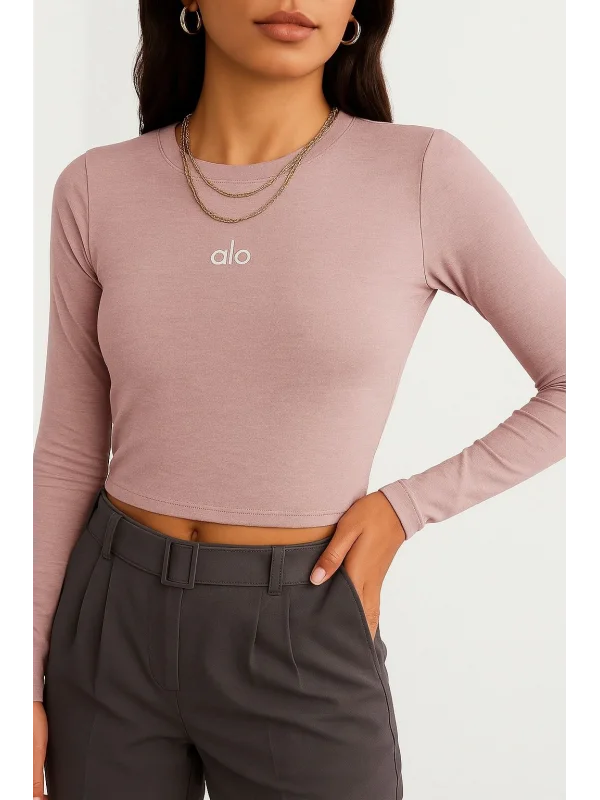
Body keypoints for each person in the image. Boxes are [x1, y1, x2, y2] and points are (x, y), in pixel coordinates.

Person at [31, 1, 567, 798]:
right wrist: (19, 680)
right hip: (109, 627)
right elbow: (68, 452)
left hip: (304, 619)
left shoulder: (422, 174)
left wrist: (404, 510)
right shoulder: (94, 187)